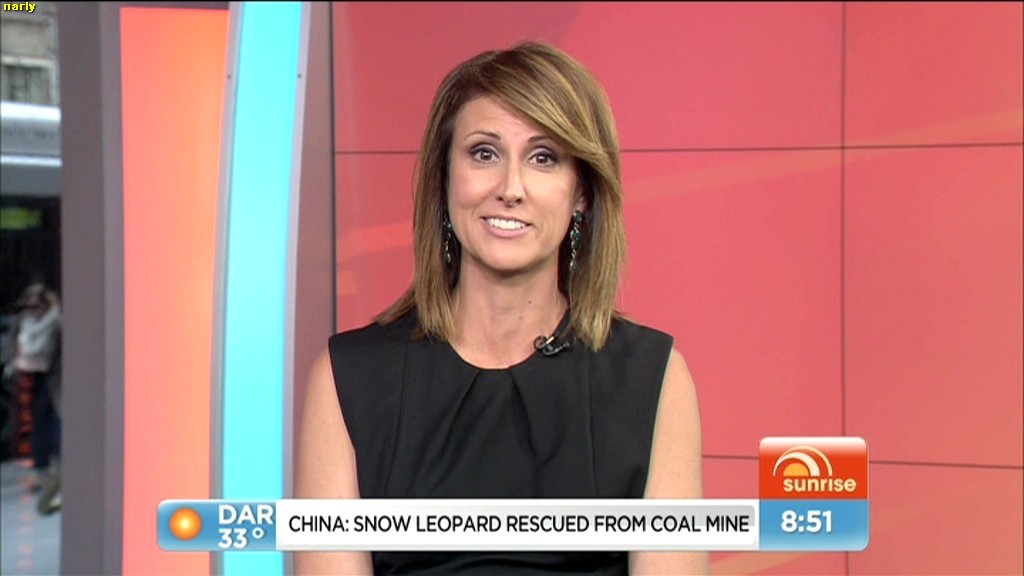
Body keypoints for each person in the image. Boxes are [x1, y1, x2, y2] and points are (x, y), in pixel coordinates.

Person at [295, 41, 706, 575]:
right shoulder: (348, 379)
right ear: (445, 179)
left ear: (581, 193)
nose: (510, 189)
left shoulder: (653, 378)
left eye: (543, 158)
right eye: (484, 153)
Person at [12, 282, 62, 494]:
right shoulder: (24, 324)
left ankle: (58, 467)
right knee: (38, 423)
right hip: (29, 377)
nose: (32, 311)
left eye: (35, 306)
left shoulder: (56, 322)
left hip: (52, 377)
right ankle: (43, 470)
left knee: (53, 422)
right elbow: (17, 348)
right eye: (28, 306)